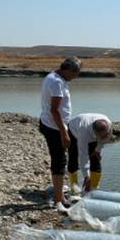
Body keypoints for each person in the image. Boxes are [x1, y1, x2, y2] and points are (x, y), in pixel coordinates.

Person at [39, 57, 81, 210]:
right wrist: (64, 132)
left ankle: (60, 195)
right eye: (75, 73)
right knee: (59, 161)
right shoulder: (56, 82)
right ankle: (58, 198)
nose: (75, 77)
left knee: (60, 159)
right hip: (54, 127)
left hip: (52, 124)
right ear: (68, 70)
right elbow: (54, 110)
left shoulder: (54, 77)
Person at [68, 113, 112, 192]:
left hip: (92, 131)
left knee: (95, 159)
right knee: (73, 158)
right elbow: (83, 155)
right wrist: (86, 177)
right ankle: (74, 188)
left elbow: (104, 140)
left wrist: (97, 150)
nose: (105, 136)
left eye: (106, 134)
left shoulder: (108, 126)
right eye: (101, 136)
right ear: (94, 132)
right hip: (73, 130)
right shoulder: (83, 133)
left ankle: (94, 188)